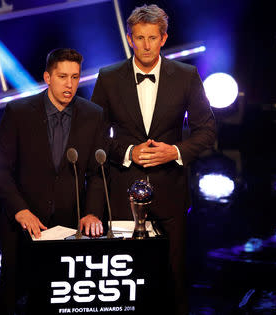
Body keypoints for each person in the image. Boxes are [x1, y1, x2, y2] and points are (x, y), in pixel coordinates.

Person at [91, 4, 216, 314]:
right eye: (139, 38)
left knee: (173, 275)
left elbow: (206, 131)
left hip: (170, 192)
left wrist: (173, 151)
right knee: (124, 278)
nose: (146, 45)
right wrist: (129, 152)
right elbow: (92, 136)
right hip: (121, 192)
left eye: (152, 38)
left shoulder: (186, 76)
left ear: (163, 38)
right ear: (130, 39)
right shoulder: (108, 78)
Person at [0, 48, 106, 315]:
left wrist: (91, 212)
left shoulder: (93, 115)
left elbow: (97, 172)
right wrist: (20, 210)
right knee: (14, 297)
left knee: (61, 301)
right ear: (47, 77)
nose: (69, 84)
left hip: (68, 226)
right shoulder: (18, 112)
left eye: (75, 77)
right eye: (62, 76)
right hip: (22, 224)